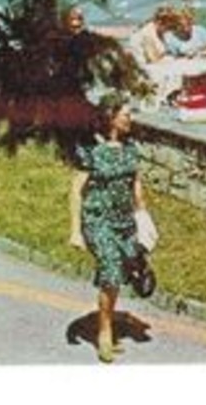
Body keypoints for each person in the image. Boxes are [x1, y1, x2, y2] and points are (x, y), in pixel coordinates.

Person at [68, 100, 149, 364]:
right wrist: (76, 231)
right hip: (97, 219)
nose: (130, 119)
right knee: (111, 269)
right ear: (111, 117)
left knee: (122, 270)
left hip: (124, 221)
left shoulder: (130, 148)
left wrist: (144, 218)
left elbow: (135, 184)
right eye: (126, 114)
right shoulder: (90, 150)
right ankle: (105, 333)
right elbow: (76, 191)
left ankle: (109, 313)